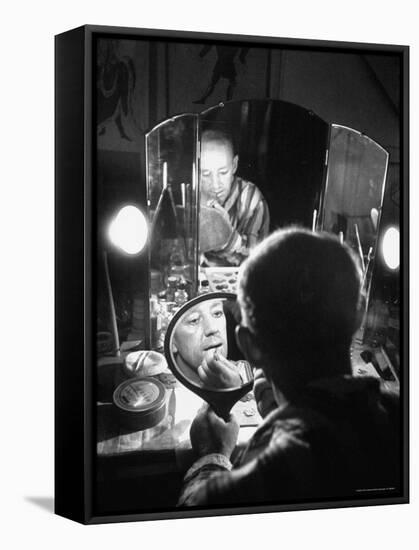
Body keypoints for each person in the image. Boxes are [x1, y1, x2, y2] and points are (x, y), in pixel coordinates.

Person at [178, 227, 400, 506]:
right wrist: (282, 411)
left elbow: (196, 518)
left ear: (250, 346)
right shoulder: (397, 415)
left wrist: (212, 455)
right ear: (359, 314)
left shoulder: (284, 464)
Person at [199, 129, 270, 266]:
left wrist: (226, 233)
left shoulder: (252, 201)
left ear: (234, 165)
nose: (215, 185)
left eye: (223, 172)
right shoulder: (190, 194)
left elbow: (258, 259)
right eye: (205, 174)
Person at [171, 298, 251, 389]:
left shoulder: (246, 373)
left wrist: (235, 388)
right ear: (172, 341)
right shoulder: (159, 390)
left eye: (217, 313)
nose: (212, 329)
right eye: (194, 320)